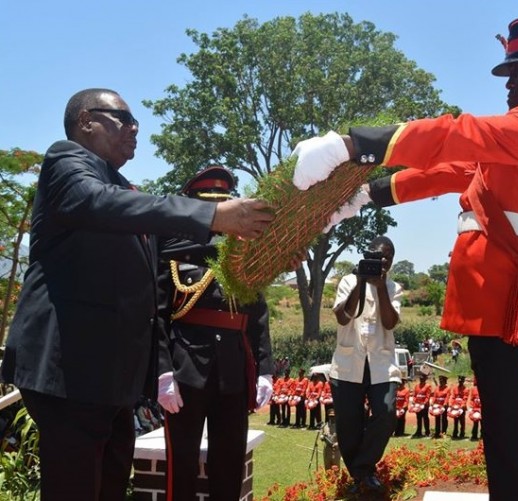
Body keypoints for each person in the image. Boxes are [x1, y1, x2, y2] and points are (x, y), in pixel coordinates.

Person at [292, 17, 518, 501]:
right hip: (499, 309)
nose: (509, 82)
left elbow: (461, 135)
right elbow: (455, 169)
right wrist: (366, 196)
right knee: (502, 441)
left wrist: (352, 144)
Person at [0, 88, 275, 501]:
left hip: (109, 381)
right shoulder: (68, 163)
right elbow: (99, 204)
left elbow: (172, 251)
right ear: (86, 122)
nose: (134, 127)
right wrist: (212, 215)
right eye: (123, 118)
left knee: (109, 488)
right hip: (70, 370)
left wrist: (271, 244)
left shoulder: (122, 187)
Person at [155, 166, 275, 501]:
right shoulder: (172, 250)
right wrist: (163, 370)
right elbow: (159, 315)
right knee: (182, 462)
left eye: (225, 204)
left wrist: (265, 369)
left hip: (233, 371)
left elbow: (257, 315)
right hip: (186, 369)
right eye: (213, 207)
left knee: (229, 461)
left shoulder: (245, 258)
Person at [329, 235, 402, 494]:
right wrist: (360, 281)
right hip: (349, 363)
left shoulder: (393, 287)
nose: (383, 261)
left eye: (388, 258)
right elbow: (342, 317)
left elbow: (390, 322)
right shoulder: (348, 281)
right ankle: (363, 476)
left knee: (386, 414)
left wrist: (380, 286)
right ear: (367, 254)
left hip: (382, 364)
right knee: (348, 424)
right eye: (379, 256)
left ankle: (361, 470)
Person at [410, 372, 432, 438]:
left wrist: (424, 403)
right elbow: (414, 395)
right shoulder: (417, 386)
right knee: (418, 418)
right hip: (417, 405)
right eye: (420, 378)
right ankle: (418, 431)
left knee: (425, 418)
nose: (421, 379)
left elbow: (428, 396)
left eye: (423, 378)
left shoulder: (428, 386)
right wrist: (413, 401)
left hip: (424, 405)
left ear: (425, 379)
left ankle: (427, 432)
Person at [430, 374, 450, 439]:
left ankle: (444, 432)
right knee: (437, 419)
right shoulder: (437, 388)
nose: (440, 382)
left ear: (445, 381)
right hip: (437, 406)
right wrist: (432, 403)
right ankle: (437, 432)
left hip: (444, 406)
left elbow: (447, 397)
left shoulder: (447, 388)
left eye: (442, 381)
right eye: (440, 381)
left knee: (444, 419)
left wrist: (445, 404)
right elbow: (434, 396)